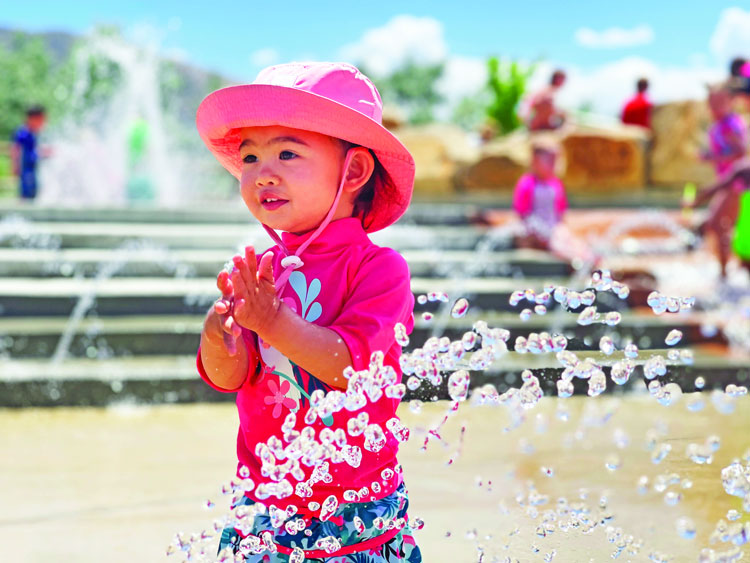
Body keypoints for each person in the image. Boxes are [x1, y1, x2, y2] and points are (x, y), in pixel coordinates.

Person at [195, 62, 422, 562]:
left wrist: (274, 322)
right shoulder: (261, 271)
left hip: (354, 505)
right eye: (250, 156)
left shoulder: (379, 270)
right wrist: (221, 338)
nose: (262, 172)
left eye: (287, 152)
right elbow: (230, 378)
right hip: (266, 497)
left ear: (355, 171)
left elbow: (353, 369)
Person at [696, 83, 748, 278]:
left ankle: (726, 273)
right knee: (719, 225)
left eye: (719, 101)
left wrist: (711, 157)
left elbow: (740, 152)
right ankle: (727, 271)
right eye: (712, 101)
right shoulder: (718, 125)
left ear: (730, 102)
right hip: (729, 182)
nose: (714, 105)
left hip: (737, 184)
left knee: (718, 224)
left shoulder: (729, 124)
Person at [10, 105, 46, 200]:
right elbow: (15, 149)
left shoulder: (34, 133)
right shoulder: (23, 132)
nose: (42, 123)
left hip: (33, 167)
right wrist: (15, 165)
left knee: (36, 192)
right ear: (32, 119)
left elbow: (35, 150)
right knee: (26, 193)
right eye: (41, 120)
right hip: (26, 168)